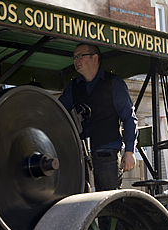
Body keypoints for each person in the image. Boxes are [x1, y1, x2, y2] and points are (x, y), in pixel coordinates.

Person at [59, 43, 138, 191]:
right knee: (80, 201)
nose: (76, 60)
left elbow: (129, 118)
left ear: (95, 58)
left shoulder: (114, 83)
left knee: (108, 202)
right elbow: (59, 111)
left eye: (80, 56)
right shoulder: (73, 86)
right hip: (80, 155)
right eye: (74, 57)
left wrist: (129, 151)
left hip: (107, 153)